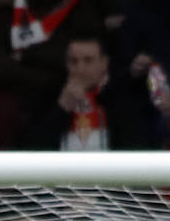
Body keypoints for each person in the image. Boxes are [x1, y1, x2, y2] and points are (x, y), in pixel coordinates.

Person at [0, 0, 104, 126]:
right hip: (12, 107)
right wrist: (49, 72)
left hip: (64, 104)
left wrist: (24, 56)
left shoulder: (82, 9)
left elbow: (77, 64)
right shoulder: (6, 8)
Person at [25, 31, 155, 149]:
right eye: (73, 61)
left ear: (104, 63)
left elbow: (136, 148)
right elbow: (30, 151)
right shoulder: (49, 95)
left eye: (88, 61)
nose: (80, 69)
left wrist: (108, 97)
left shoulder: (121, 96)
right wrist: (61, 108)